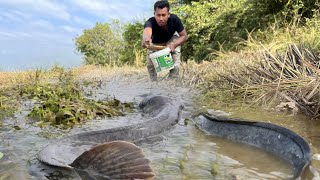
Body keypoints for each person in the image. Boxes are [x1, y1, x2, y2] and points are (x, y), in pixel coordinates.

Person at [142, 0, 187, 81]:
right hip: (155, 44)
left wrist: (174, 45)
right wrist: (147, 39)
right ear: (154, 14)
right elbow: (147, 32)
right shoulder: (150, 22)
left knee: (176, 38)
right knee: (150, 65)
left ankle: (172, 81)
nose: (161, 18)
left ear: (168, 14)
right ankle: (154, 84)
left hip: (170, 42)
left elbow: (184, 36)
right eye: (158, 15)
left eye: (163, 15)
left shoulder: (175, 19)